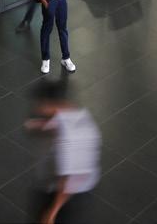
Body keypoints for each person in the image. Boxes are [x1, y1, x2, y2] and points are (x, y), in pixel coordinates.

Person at [27, 80, 101, 224]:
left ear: (51, 103)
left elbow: (72, 180)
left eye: (40, 103)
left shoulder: (73, 136)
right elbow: (57, 123)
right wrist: (39, 126)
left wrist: (52, 212)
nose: (37, 107)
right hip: (53, 183)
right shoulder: (73, 113)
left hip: (65, 196)